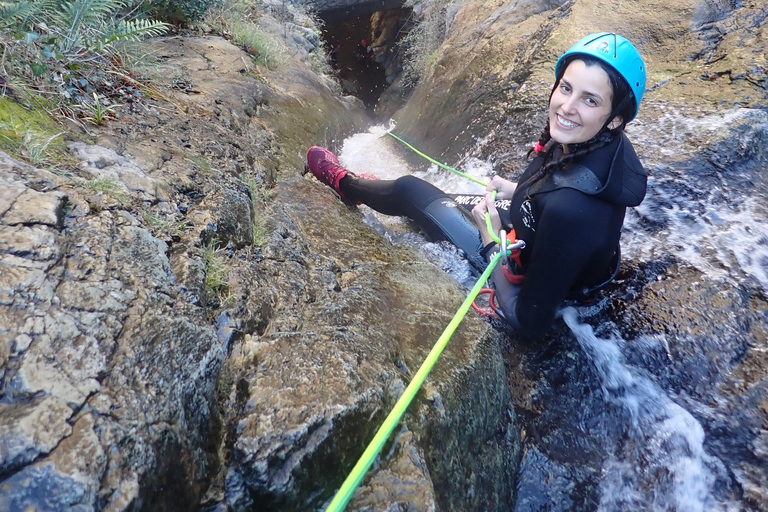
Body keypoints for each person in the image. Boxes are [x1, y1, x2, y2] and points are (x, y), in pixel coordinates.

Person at [306, 33, 647, 338]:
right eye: (566, 88)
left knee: (411, 191)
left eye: (590, 100)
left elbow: (528, 320)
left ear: (615, 117)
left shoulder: (573, 210)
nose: (567, 107)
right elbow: (566, 188)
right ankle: (386, 192)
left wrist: (488, 241)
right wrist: (519, 190)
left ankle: (346, 185)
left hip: (536, 279)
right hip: (548, 239)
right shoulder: (599, 141)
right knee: (448, 201)